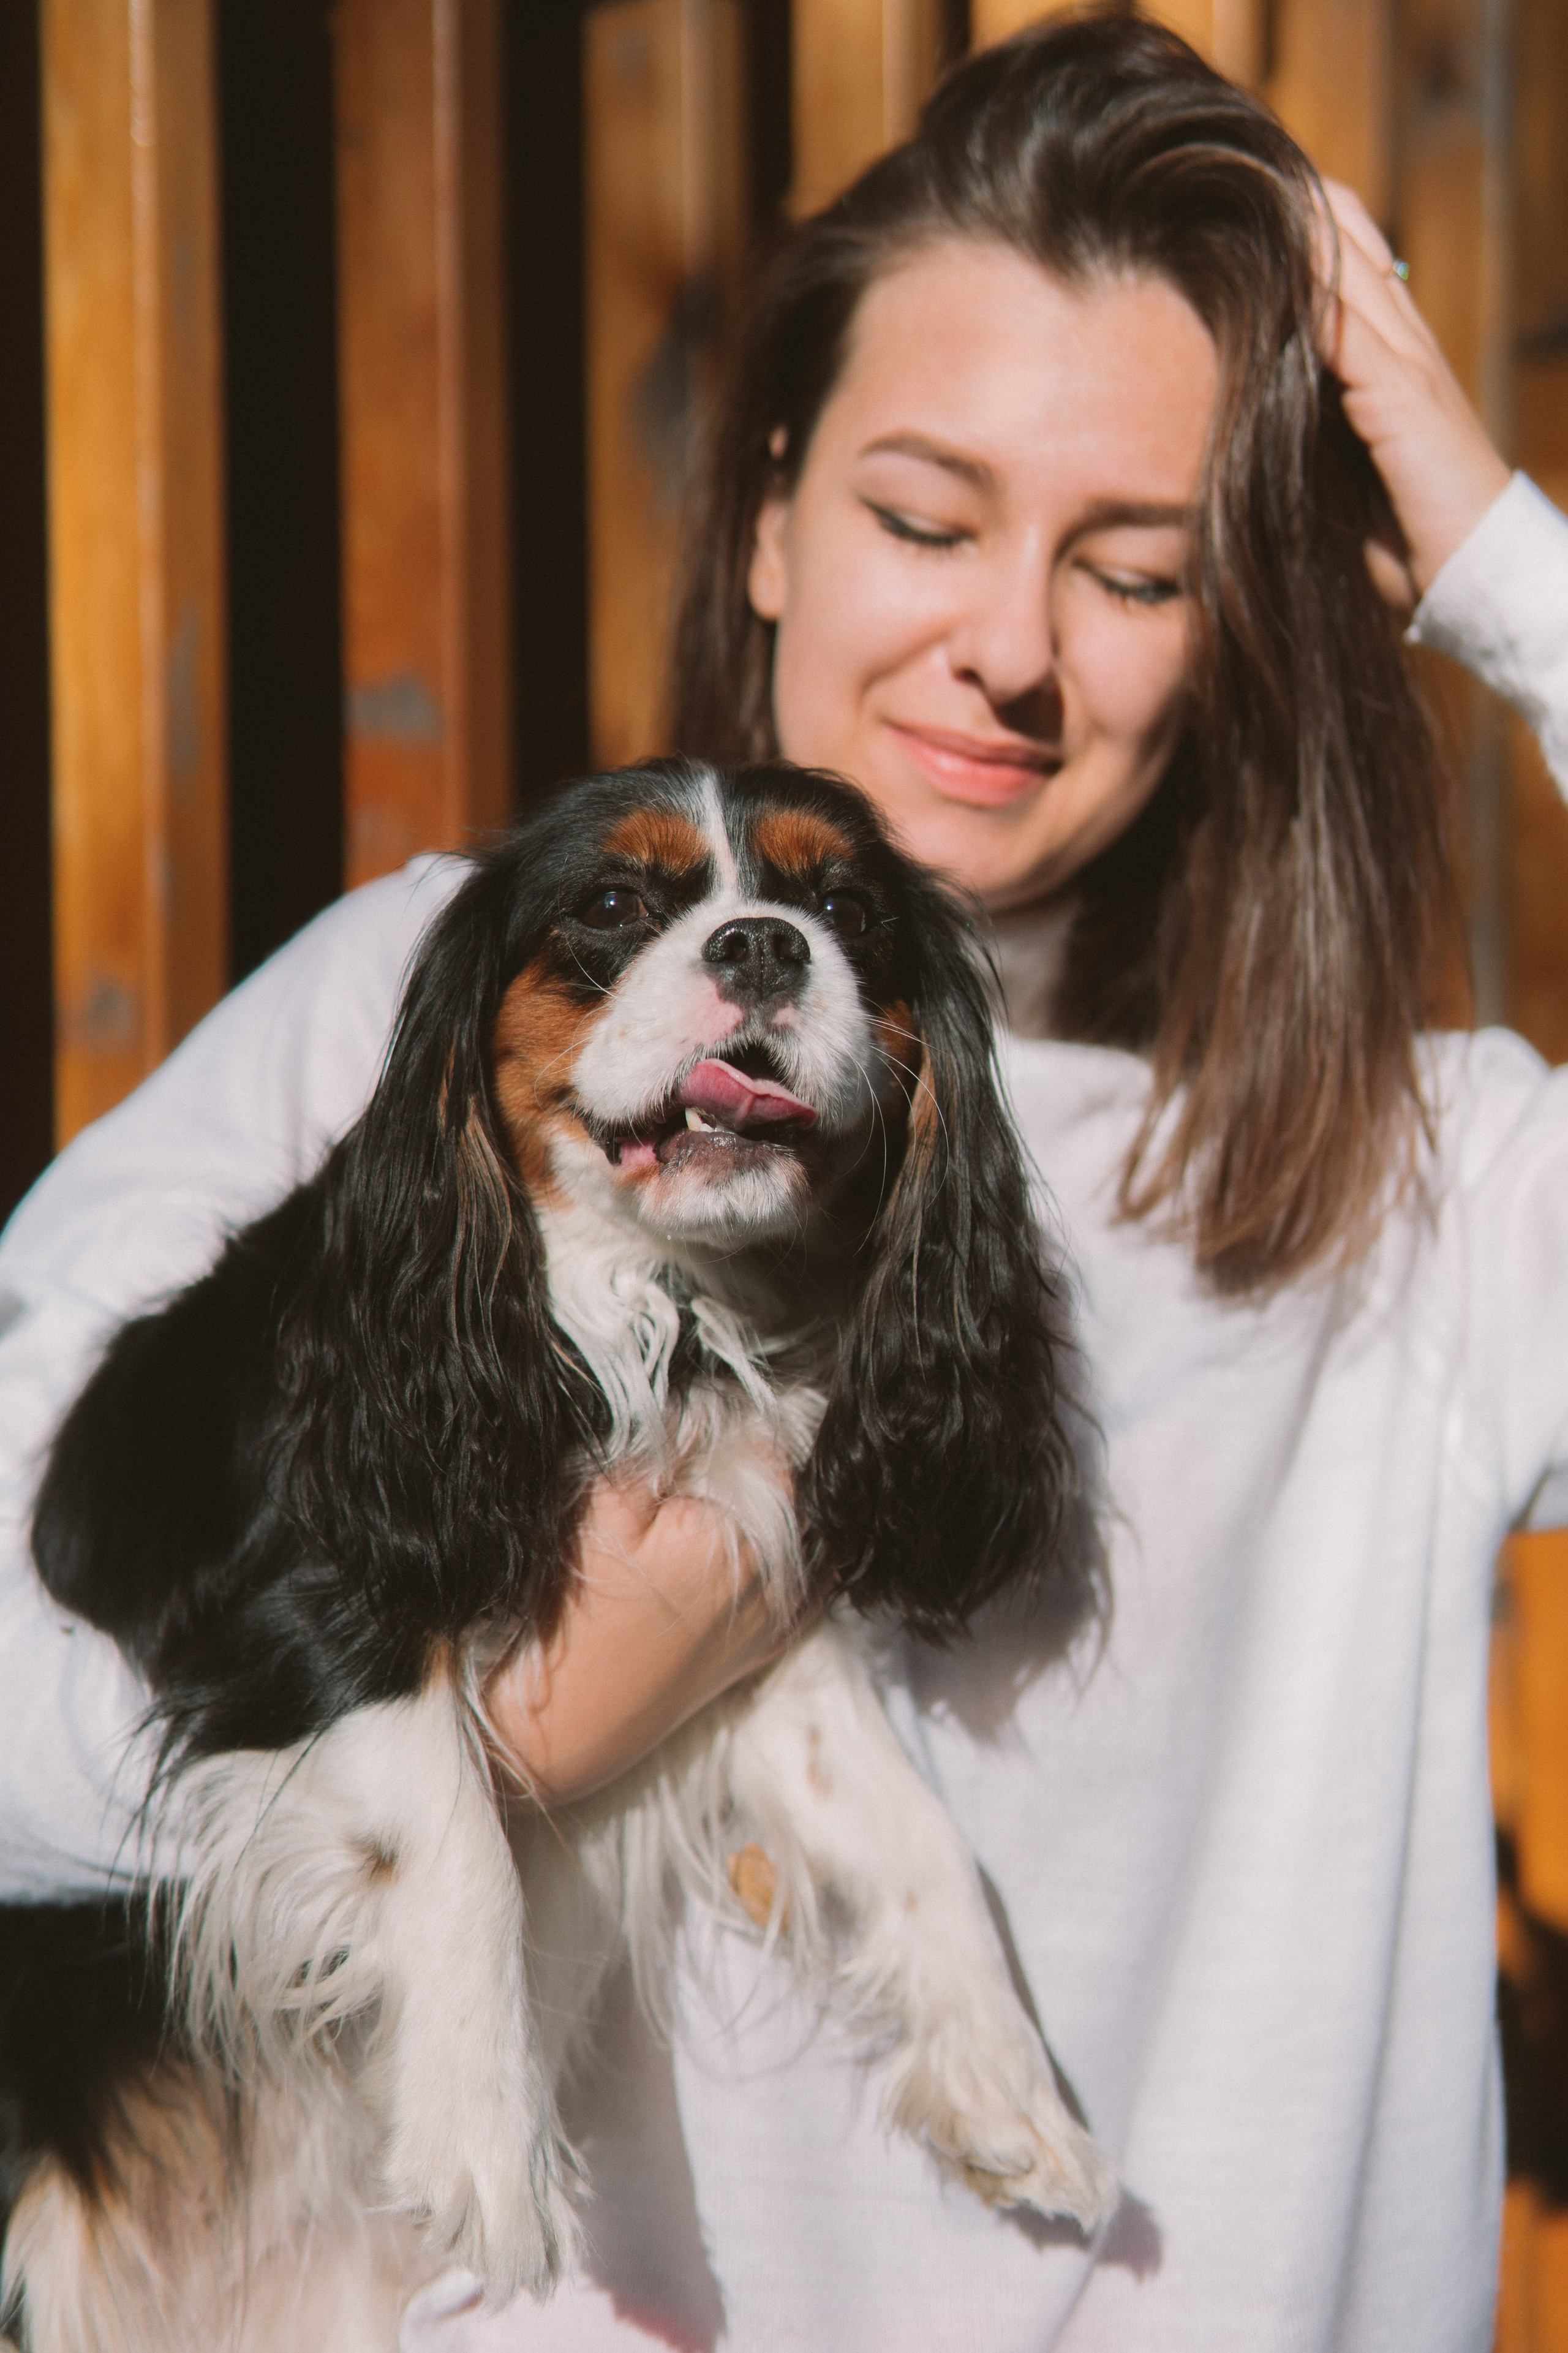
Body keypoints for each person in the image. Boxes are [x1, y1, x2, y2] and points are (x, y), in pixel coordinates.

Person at [2, 13, 1567, 2347]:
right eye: (923, 520)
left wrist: (1503, 559)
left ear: (1243, 623)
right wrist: (533, 1705)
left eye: (1136, 570)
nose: (1006, 648)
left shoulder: (1433, 1189)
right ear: (763, 513)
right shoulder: (423, 1008)